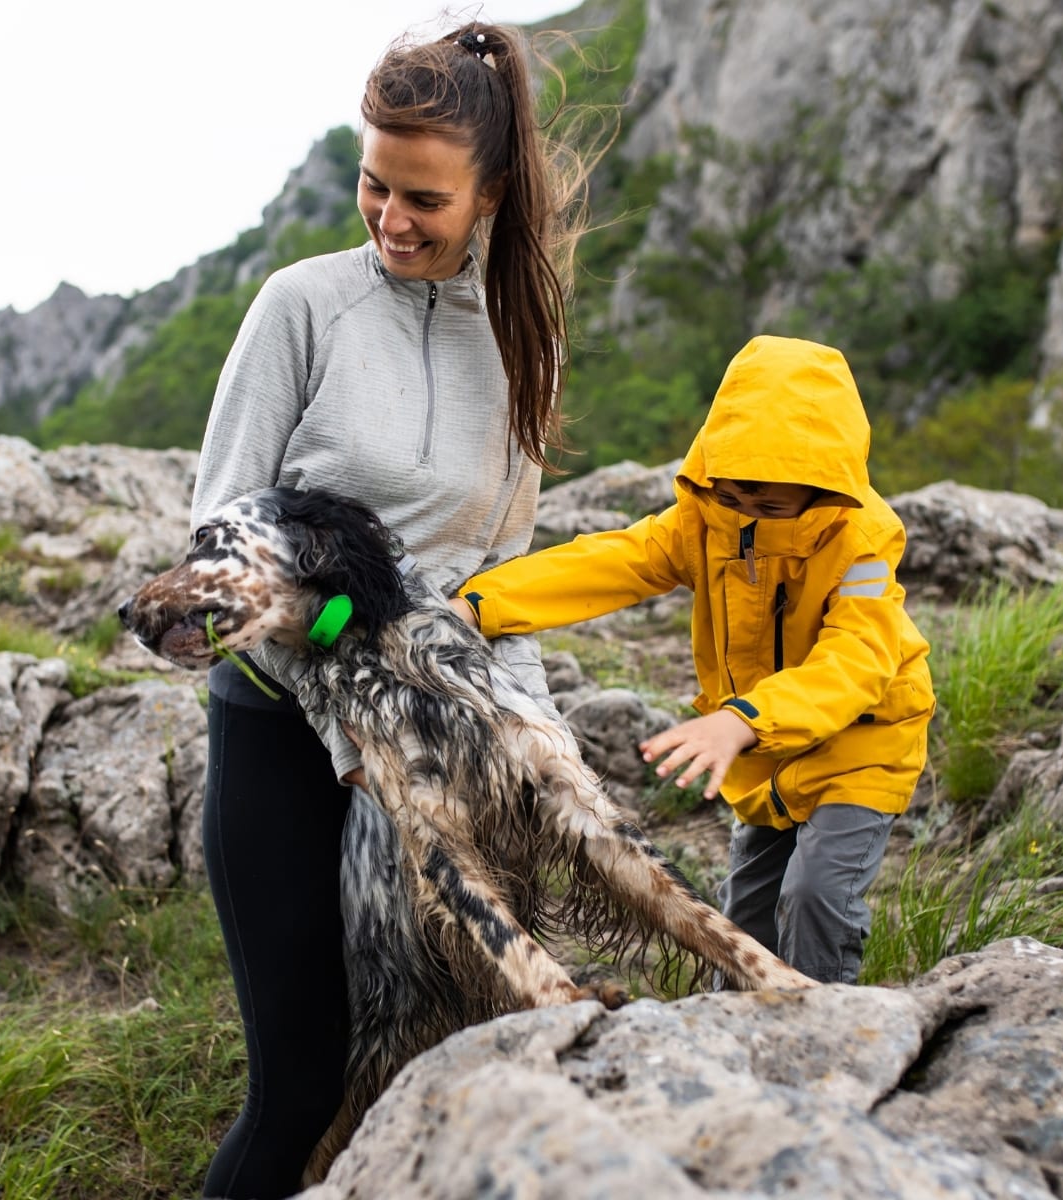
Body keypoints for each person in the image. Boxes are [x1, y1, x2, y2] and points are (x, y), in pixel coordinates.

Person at [189, 22, 586, 1198]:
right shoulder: (300, 307)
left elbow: (495, 574)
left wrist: (524, 739)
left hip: (433, 743)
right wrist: (337, 688)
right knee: (303, 1092)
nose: (391, 216)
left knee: (446, 1064)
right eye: (373, 183)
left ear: (491, 193)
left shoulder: (525, 337)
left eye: (424, 196)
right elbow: (219, 551)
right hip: (283, 738)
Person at [452, 335, 935, 985]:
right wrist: (481, 603)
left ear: (825, 488)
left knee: (815, 895)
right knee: (746, 915)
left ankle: (824, 1029)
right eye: (736, 496)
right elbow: (613, 562)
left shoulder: (863, 544)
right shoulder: (706, 522)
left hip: (861, 746)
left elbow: (855, 660)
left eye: (771, 506)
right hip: (766, 754)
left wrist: (741, 721)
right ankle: (725, 1031)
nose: (748, 516)